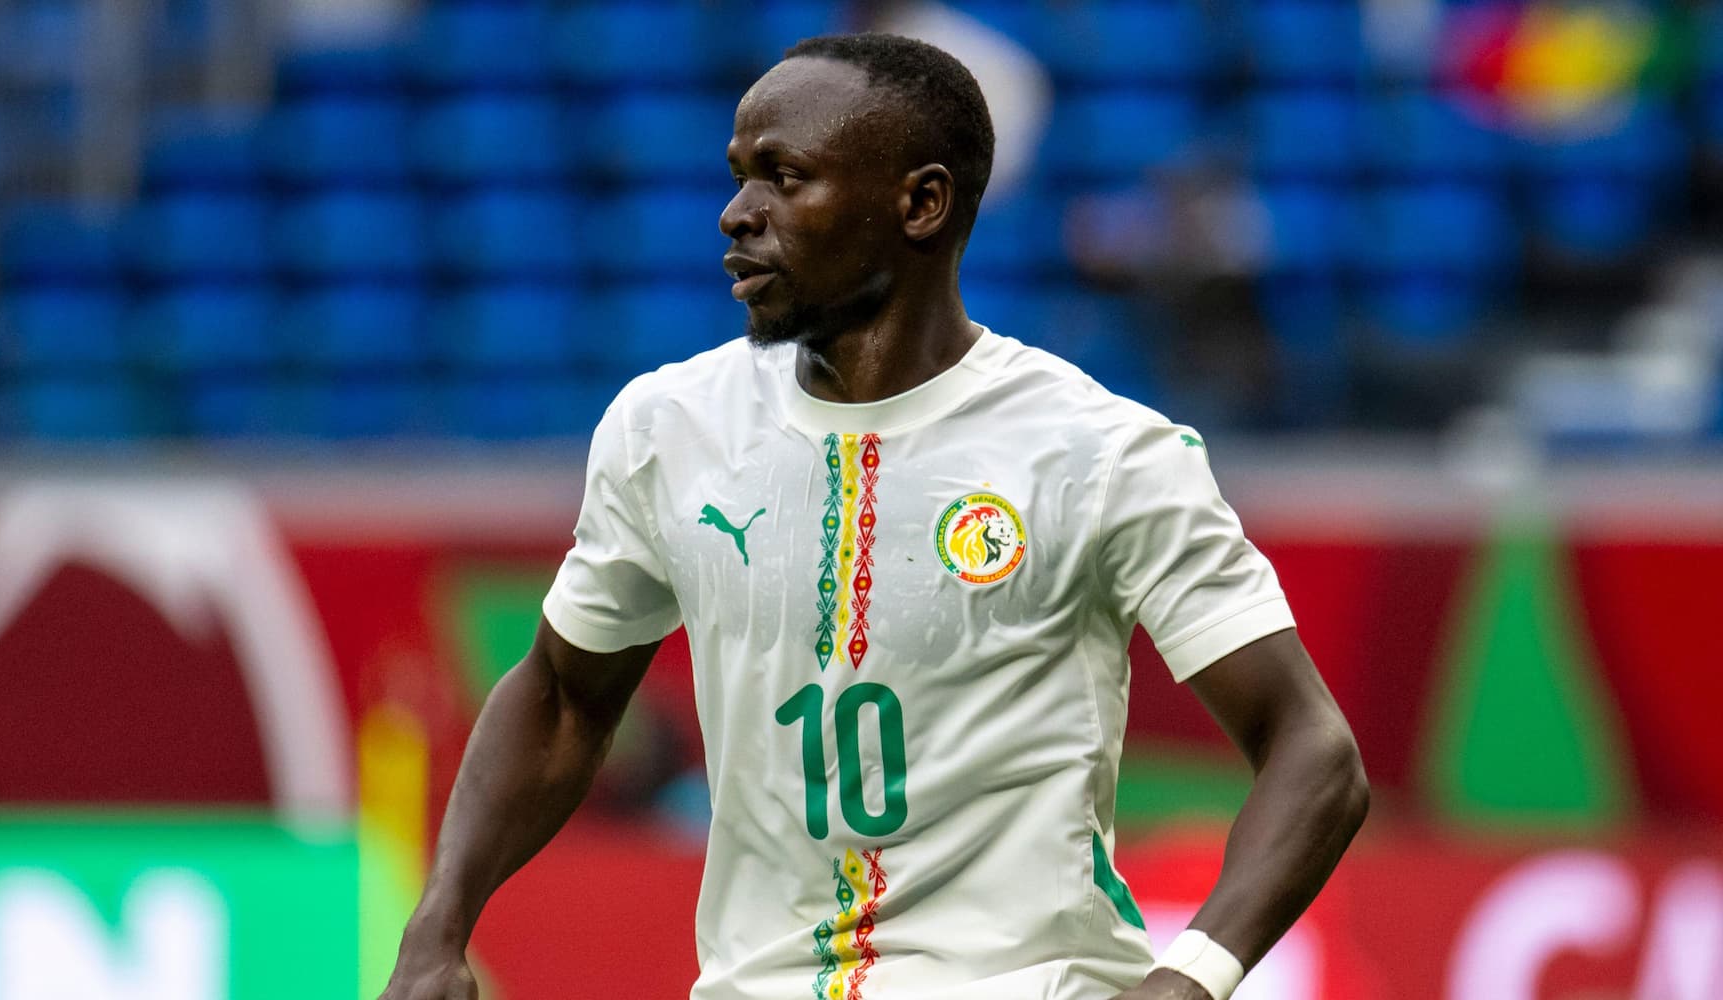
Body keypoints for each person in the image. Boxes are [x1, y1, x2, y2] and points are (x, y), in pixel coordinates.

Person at [380, 33, 1368, 1000]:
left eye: (784, 177)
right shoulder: (668, 428)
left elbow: (1312, 751)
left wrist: (1188, 979)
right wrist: (437, 929)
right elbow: (561, 696)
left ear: (919, 203)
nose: (735, 213)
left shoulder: (1099, 453)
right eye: (737, 177)